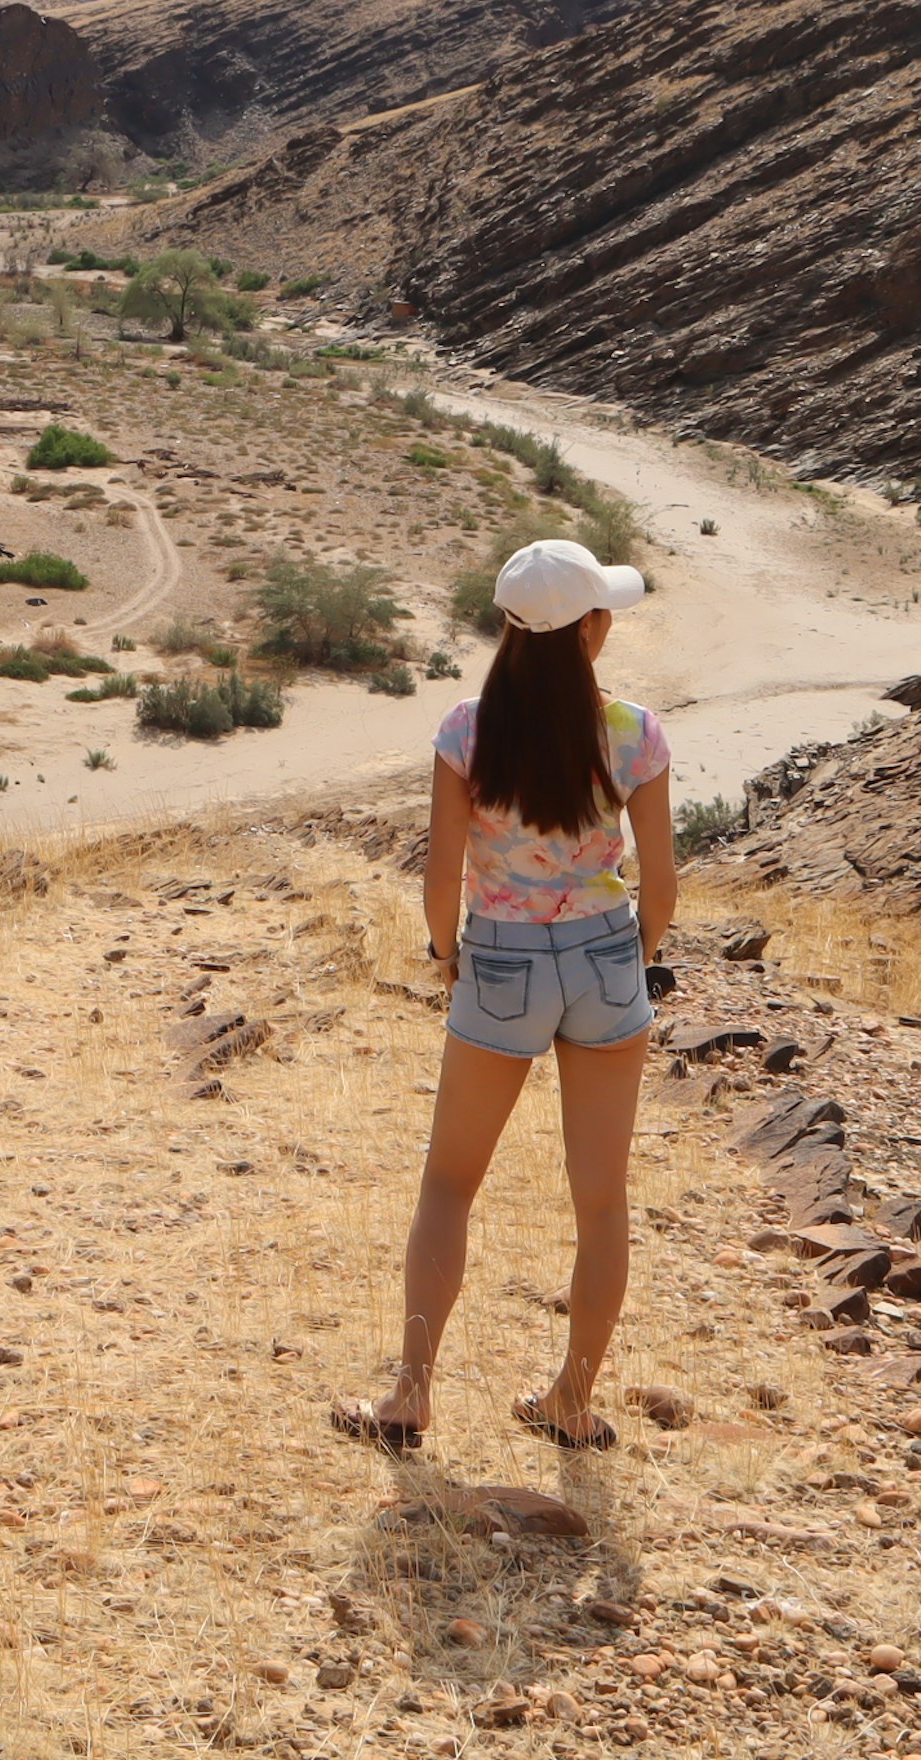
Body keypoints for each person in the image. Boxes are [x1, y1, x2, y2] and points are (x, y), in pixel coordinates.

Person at [338, 535, 674, 1454]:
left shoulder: (466, 730)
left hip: (501, 961)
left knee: (450, 1181)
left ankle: (410, 1395)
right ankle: (570, 1398)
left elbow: (440, 877)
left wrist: (449, 954)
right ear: (592, 629)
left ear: (510, 631)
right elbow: (663, 887)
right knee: (601, 1198)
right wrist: (626, 958)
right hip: (605, 961)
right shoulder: (637, 733)